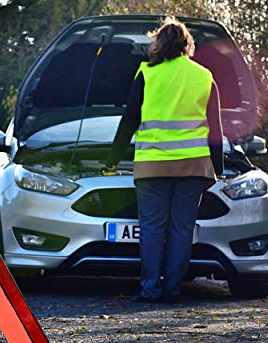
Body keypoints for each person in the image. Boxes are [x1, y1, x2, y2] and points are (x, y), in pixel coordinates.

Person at [106, 16, 224, 302]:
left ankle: (150, 289)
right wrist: (217, 168)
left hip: (153, 166)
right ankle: (172, 288)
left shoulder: (147, 74)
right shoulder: (203, 76)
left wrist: (113, 158)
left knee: (152, 228)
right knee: (182, 229)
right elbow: (216, 129)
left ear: (158, 44)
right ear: (187, 45)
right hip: (194, 166)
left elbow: (129, 119)